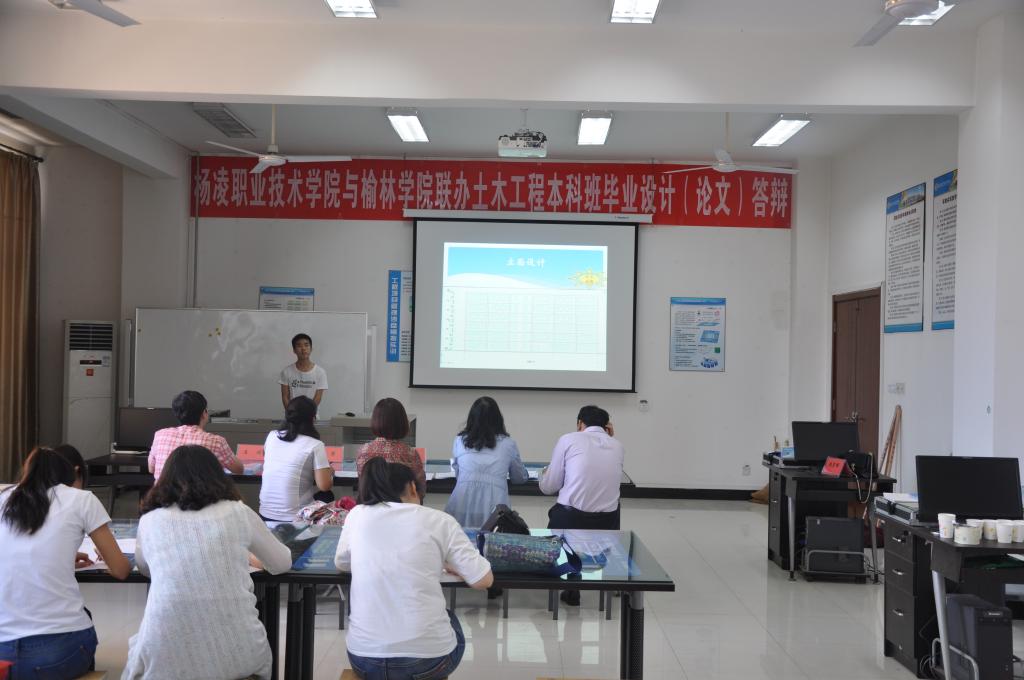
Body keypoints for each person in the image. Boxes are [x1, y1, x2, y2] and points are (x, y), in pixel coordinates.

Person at [122, 445, 293, 680]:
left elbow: (145, 568)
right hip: (238, 654)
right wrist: (242, 554)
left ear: (165, 480)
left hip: (163, 659)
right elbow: (282, 562)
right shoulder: (238, 512)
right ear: (217, 476)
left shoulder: (150, 520)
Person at [335, 457, 493, 680]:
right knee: (447, 618)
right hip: (427, 663)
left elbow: (341, 563)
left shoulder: (357, 514)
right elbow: (484, 580)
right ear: (412, 487)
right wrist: (451, 566)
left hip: (364, 660)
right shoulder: (440, 521)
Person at [0, 448, 130, 678]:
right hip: (56, 655)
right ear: (74, 474)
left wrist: (62, 559)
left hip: (3, 654)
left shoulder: (5, 498)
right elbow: (121, 570)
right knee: (83, 617)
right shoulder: (82, 499)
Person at [539, 405, 625, 606]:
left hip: (570, 519)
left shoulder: (568, 439)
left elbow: (549, 487)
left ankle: (568, 580)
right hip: (607, 523)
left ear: (580, 423)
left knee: (558, 511)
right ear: (606, 426)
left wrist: (543, 476)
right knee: (613, 504)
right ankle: (602, 573)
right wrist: (610, 438)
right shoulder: (618, 445)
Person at [444, 396, 528, 529]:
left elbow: (459, 474)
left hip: (461, 505)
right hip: (494, 511)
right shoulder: (508, 444)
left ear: (471, 418)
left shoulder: (459, 441)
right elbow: (519, 478)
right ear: (498, 419)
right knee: (493, 542)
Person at [259, 395, 334, 521]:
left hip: (265, 514)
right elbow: (324, 486)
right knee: (327, 495)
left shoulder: (272, 436)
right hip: (296, 517)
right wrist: (329, 472)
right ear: (313, 418)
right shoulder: (315, 445)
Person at [148, 390, 243, 480]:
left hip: (164, 492)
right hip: (200, 492)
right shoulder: (216, 442)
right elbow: (239, 469)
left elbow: (151, 469)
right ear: (204, 413)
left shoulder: (160, 435)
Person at [356, 397, 426, 497]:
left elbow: (362, 487)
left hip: (371, 504)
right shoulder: (410, 453)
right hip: (402, 505)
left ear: (375, 421)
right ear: (402, 422)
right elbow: (420, 491)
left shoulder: (363, 451)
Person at [279, 333, 328, 410]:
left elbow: (318, 397)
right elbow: (285, 397)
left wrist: (308, 414)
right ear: (294, 350)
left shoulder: (320, 372)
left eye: (306, 345)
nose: (303, 348)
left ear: (311, 349)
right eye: (299, 346)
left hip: (312, 416)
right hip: (292, 416)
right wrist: (292, 413)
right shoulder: (286, 371)